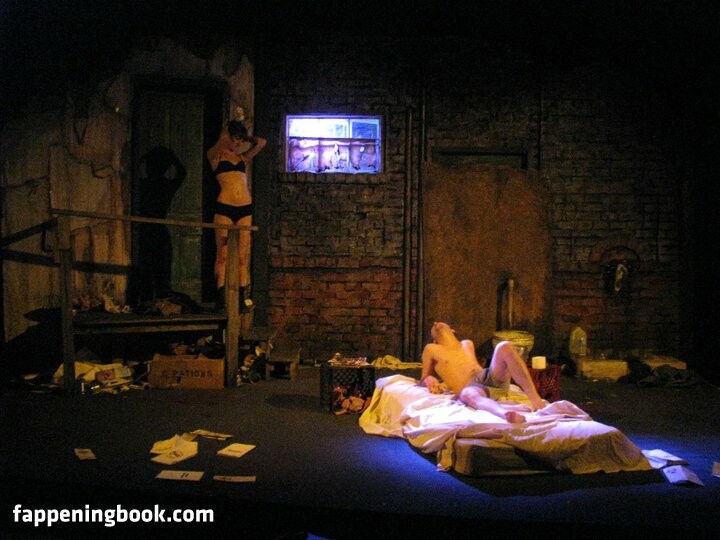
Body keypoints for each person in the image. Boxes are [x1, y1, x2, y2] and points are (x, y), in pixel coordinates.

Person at [421, 322, 545, 423]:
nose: (436, 323)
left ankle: (536, 401)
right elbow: (423, 378)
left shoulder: (467, 343)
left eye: (439, 322)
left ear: (453, 331)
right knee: (467, 394)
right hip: (474, 389)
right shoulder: (431, 348)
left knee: (505, 346)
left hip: (489, 377)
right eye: (434, 325)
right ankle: (505, 413)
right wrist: (428, 379)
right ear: (434, 340)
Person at [206, 120, 266, 311]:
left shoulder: (242, 158)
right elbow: (219, 144)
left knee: (242, 255)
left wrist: (246, 137)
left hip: (244, 208)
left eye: (240, 141)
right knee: (222, 255)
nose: (238, 144)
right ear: (227, 137)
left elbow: (262, 143)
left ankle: (241, 298)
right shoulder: (216, 155)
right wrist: (226, 132)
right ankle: (220, 299)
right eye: (235, 140)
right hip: (225, 207)